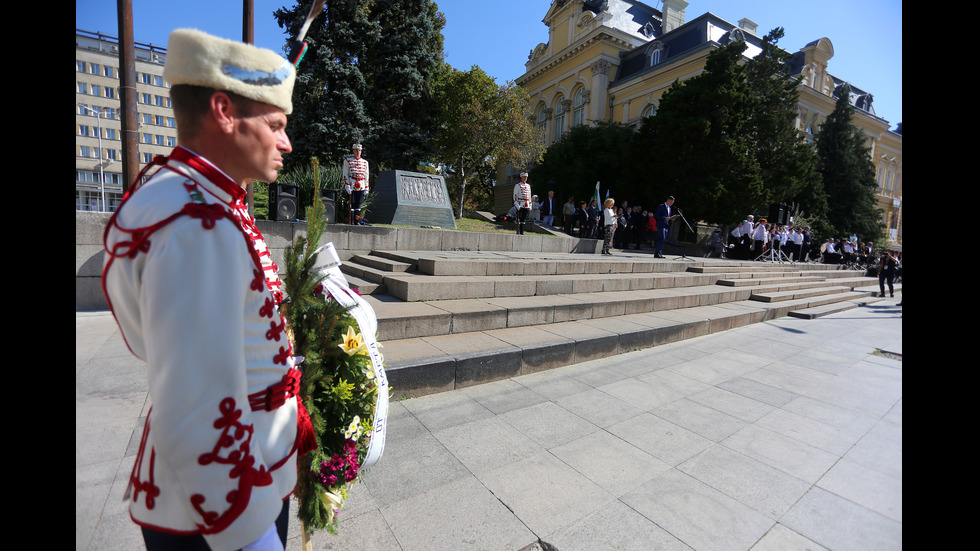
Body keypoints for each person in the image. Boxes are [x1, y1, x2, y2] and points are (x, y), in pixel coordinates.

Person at [101, 29, 305, 551]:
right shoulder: (197, 220)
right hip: (219, 512)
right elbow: (197, 409)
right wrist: (253, 536)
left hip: (231, 480)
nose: (285, 142)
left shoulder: (186, 195)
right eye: (276, 125)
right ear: (223, 110)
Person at [343, 143, 370, 224]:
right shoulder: (348, 161)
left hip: (361, 185)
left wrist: (366, 188)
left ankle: (357, 221)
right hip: (352, 184)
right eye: (356, 150)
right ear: (353, 151)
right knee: (352, 204)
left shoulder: (365, 162)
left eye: (359, 150)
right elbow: (345, 174)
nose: (358, 152)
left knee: (358, 204)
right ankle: (352, 221)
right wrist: (347, 186)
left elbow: (366, 175)